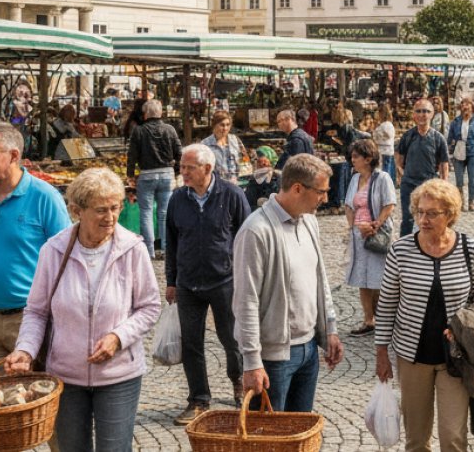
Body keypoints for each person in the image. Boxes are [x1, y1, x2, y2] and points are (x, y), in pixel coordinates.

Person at [5, 167, 160, 452]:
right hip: (65, 376)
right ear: (78, 210)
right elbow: (37, 311)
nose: (111, 217)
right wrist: (25, 350)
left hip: (119, 375)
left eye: (115, 207)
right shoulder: (54, 250)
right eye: (101, 210)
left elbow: (149, 307)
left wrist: (118, 337)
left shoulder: (132, 249)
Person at [0, 123, 69, 452]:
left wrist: (57, 320)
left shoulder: (45, 197)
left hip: (32, 319)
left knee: (47, 408)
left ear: (13, 155)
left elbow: (65, 260)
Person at [375, 179, 474, 451]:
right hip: (412, 356)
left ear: (450, 214)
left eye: (431, 213)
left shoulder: (468, 248)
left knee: (453, 436)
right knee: (416, 439)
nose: (422, 219)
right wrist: (382, 352)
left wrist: (466, 327)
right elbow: (387, 305)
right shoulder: (401, 250)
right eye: (419, 211)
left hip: (455, 356)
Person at [233, 154, 344, 412]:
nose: (325, 199)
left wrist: (331, 329)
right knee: (268, 440)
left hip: (308, 351)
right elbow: (245, 301)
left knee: (298, 432)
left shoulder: (309, 222)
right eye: (321, 192)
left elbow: (320, 279)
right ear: (297, 188)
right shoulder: (256, 231)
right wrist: (251, 361)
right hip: (273, 358)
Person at [164, 144, 252, 423]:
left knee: (231, 338)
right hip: (188, 282)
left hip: (225, 280)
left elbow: (248, 237)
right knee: (192, 343)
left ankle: (238, 381)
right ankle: (199, 399)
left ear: (207, 168)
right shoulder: (178, 198)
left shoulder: (232, 195)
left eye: (189, 167)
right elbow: (172, 241)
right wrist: (171, 280)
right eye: (182, 167)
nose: (183, 172)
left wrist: (243, 276)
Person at [343, 139, 396, 337]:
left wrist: (375, 225)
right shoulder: (355, 179)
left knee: (380, 277)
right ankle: (368, 320)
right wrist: (353, 227)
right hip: (359, 234)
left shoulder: (382, 178)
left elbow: (389, 204)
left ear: (368, 158)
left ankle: (385, 318)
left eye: (356, 156)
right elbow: (349, 205)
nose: (352, 160)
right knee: (363, 279)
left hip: (376, 233)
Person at [127, 99, 182, 260]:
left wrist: (130, 174)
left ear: (145, 114)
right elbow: (179, 153)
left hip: (146, 175)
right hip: (166, 175)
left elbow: (132, 155)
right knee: (164, 213)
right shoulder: (170, 129)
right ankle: (166, 249)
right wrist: (177, 170)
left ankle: (149, 251)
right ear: (160, 113)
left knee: (146, 212)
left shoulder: (139, 131)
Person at [395, 98, 450, 237]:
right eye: (418, 111)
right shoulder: (408, 136)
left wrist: (444, 183)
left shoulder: (438, 138)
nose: (422, 114)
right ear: (413, 114)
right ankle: (404, 248)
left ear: (432, 114)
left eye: (426, 111)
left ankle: (430, 243)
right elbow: (399, 159)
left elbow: (444, 163)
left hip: (429, 185)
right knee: (407, 219)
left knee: (431, 217)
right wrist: (402, 174)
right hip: (409, 184)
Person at [447, 97, 474, 212]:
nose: (465, 107)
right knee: (459, 180)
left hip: (472, 151)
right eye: (463, 104)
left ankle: (471, 202)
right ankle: (461, 202)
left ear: (471, 106)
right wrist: (448, 150)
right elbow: (450, 138)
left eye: (467, 104)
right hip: (459, 151)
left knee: (472, 179)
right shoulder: (456, 121)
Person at [201, 110, 242, 183]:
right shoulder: (205, 145)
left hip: (235, 184)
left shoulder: (235, 140)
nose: (225, 128)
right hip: (217, 186)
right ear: (214, 125)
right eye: (222, 125)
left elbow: (244, 159)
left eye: (228, 125)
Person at [245, 146, 281, 211]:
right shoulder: (253, 181)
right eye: (256, 161)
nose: (257, 164)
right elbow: (247, 204)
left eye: (260, 162)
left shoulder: (278, 180)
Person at [372, 104, 398, 181]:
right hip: (385, 152)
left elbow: (388, 136)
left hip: (384, 152)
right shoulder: (386, 125)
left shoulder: (386, 125)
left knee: (385, 173)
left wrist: (379, 136)